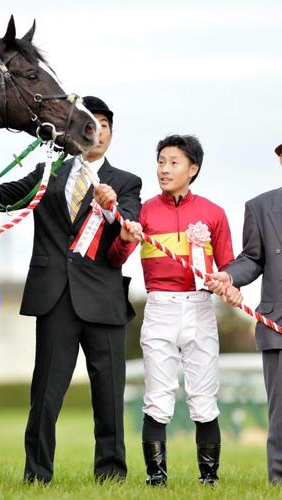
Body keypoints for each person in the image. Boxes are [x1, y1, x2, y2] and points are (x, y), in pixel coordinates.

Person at [0, 96, 141, 483]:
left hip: (104, 299)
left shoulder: (126, 182)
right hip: (54, 297)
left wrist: (114, 207)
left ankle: (112, 474)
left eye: (103, 125)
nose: (96, 131)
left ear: (111, 135)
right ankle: (36, 474)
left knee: (109, 395)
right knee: (46, 395)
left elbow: (129, 226)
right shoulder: (48, 171)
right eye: (89, 123)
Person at [108, 134, 236, 486]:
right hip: (160, 308)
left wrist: (227, 284)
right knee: (158, 398)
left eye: (174, 162)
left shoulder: (213, 213)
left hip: (200, 309)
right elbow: (115, 258)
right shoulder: (144, 210)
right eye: (161, 161)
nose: (164, 169)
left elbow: (229, 266)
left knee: (203, 397)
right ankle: (156, 479)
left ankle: (209, 479)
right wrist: (124, 238)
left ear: (193, 169)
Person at [206, 142, 282, 484]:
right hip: (278, 326)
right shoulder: (261, 207)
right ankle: (278, 482)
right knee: (281, 417)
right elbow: (252, 259)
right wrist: (230, 275)